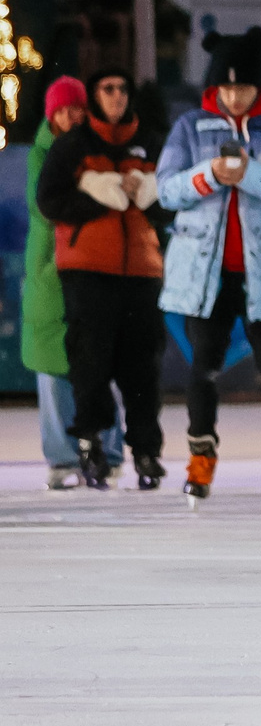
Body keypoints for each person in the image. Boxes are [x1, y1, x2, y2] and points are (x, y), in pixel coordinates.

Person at [157, 27, 261, 510]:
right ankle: (199, 460)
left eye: (243, 87)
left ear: (259, 87)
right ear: (213, 88)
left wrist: (252, 173)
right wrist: (209, 175)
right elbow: (165, 189)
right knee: (202, 370)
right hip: (204, 277)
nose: (234, 96)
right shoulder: (190, 127)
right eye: (225, 88)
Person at [35, 65, 167, 492]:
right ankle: (90, 442)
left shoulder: (148, 143)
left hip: (142, 271)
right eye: (108, 90)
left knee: (140, 367)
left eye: (122, 90)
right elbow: (49, 200)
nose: (116, 97)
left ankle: (146, 450)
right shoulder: (72, 146)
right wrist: (99, 195)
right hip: (88, 270)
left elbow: (173, 203)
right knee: (89, 364)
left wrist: (147, 194)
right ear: (96, 97)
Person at [22, 78, 123, 489]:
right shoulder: (42, 153)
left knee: (103, 364)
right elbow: (43, 203)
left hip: (94, 264)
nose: (70, 116)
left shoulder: (100, 147)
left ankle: (110, 453)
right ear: (51, 114)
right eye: (63, 110)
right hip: (50, 270)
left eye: (77, 108)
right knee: (51, 368)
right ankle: (63, 459)